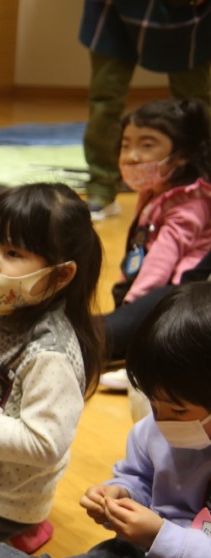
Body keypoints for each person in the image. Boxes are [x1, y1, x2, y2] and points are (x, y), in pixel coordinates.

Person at [0, 281, 211, 558]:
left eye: (177, 411)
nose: (161, 421)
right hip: (147, 548)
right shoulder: (155, 428)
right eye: (154, 404)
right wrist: (121, 494)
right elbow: (138, 476)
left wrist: (160, 535)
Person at [0, 183, 103, 553]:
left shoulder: (51, 355)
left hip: (5, 504)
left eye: (12, 253)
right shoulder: (10, 310)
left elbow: (44, 444)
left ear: (61, 275)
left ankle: (22, 532)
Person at [99, 99, 211, 386]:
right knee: (102, 329)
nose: (132, 156)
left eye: (147, 145)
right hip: (150, 294)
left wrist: (132, 309)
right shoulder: (156, 189)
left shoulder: (191, 200)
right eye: (126, 145)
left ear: (181, 155)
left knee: (100, 334)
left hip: (175, 299)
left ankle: (143, 363)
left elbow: (162, 260)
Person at [79, 0, 211, 220]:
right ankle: (101, 186)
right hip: (114, 8)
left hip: (189, 12)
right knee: (105, 102)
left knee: (195, 107)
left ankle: (201, 188)